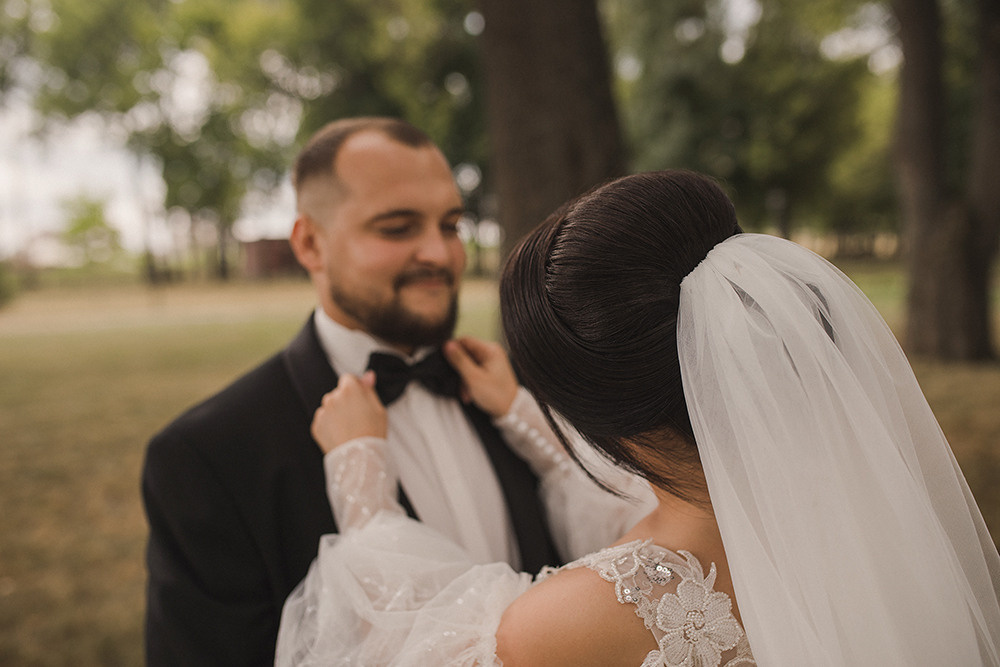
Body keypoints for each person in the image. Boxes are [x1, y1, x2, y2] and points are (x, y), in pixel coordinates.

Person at [276, 170, 1000, 666]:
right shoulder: (887, 520)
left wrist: (361, 481)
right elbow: (638, 504)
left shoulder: (570, 621)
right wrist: (525, 418)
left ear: (601, 420)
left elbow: (397, 643)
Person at [141, 117, 563, 666]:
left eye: (451, 225)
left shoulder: (521, 393)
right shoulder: (209, 455)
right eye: (398, 228)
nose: (440, 254)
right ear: (310, 244)